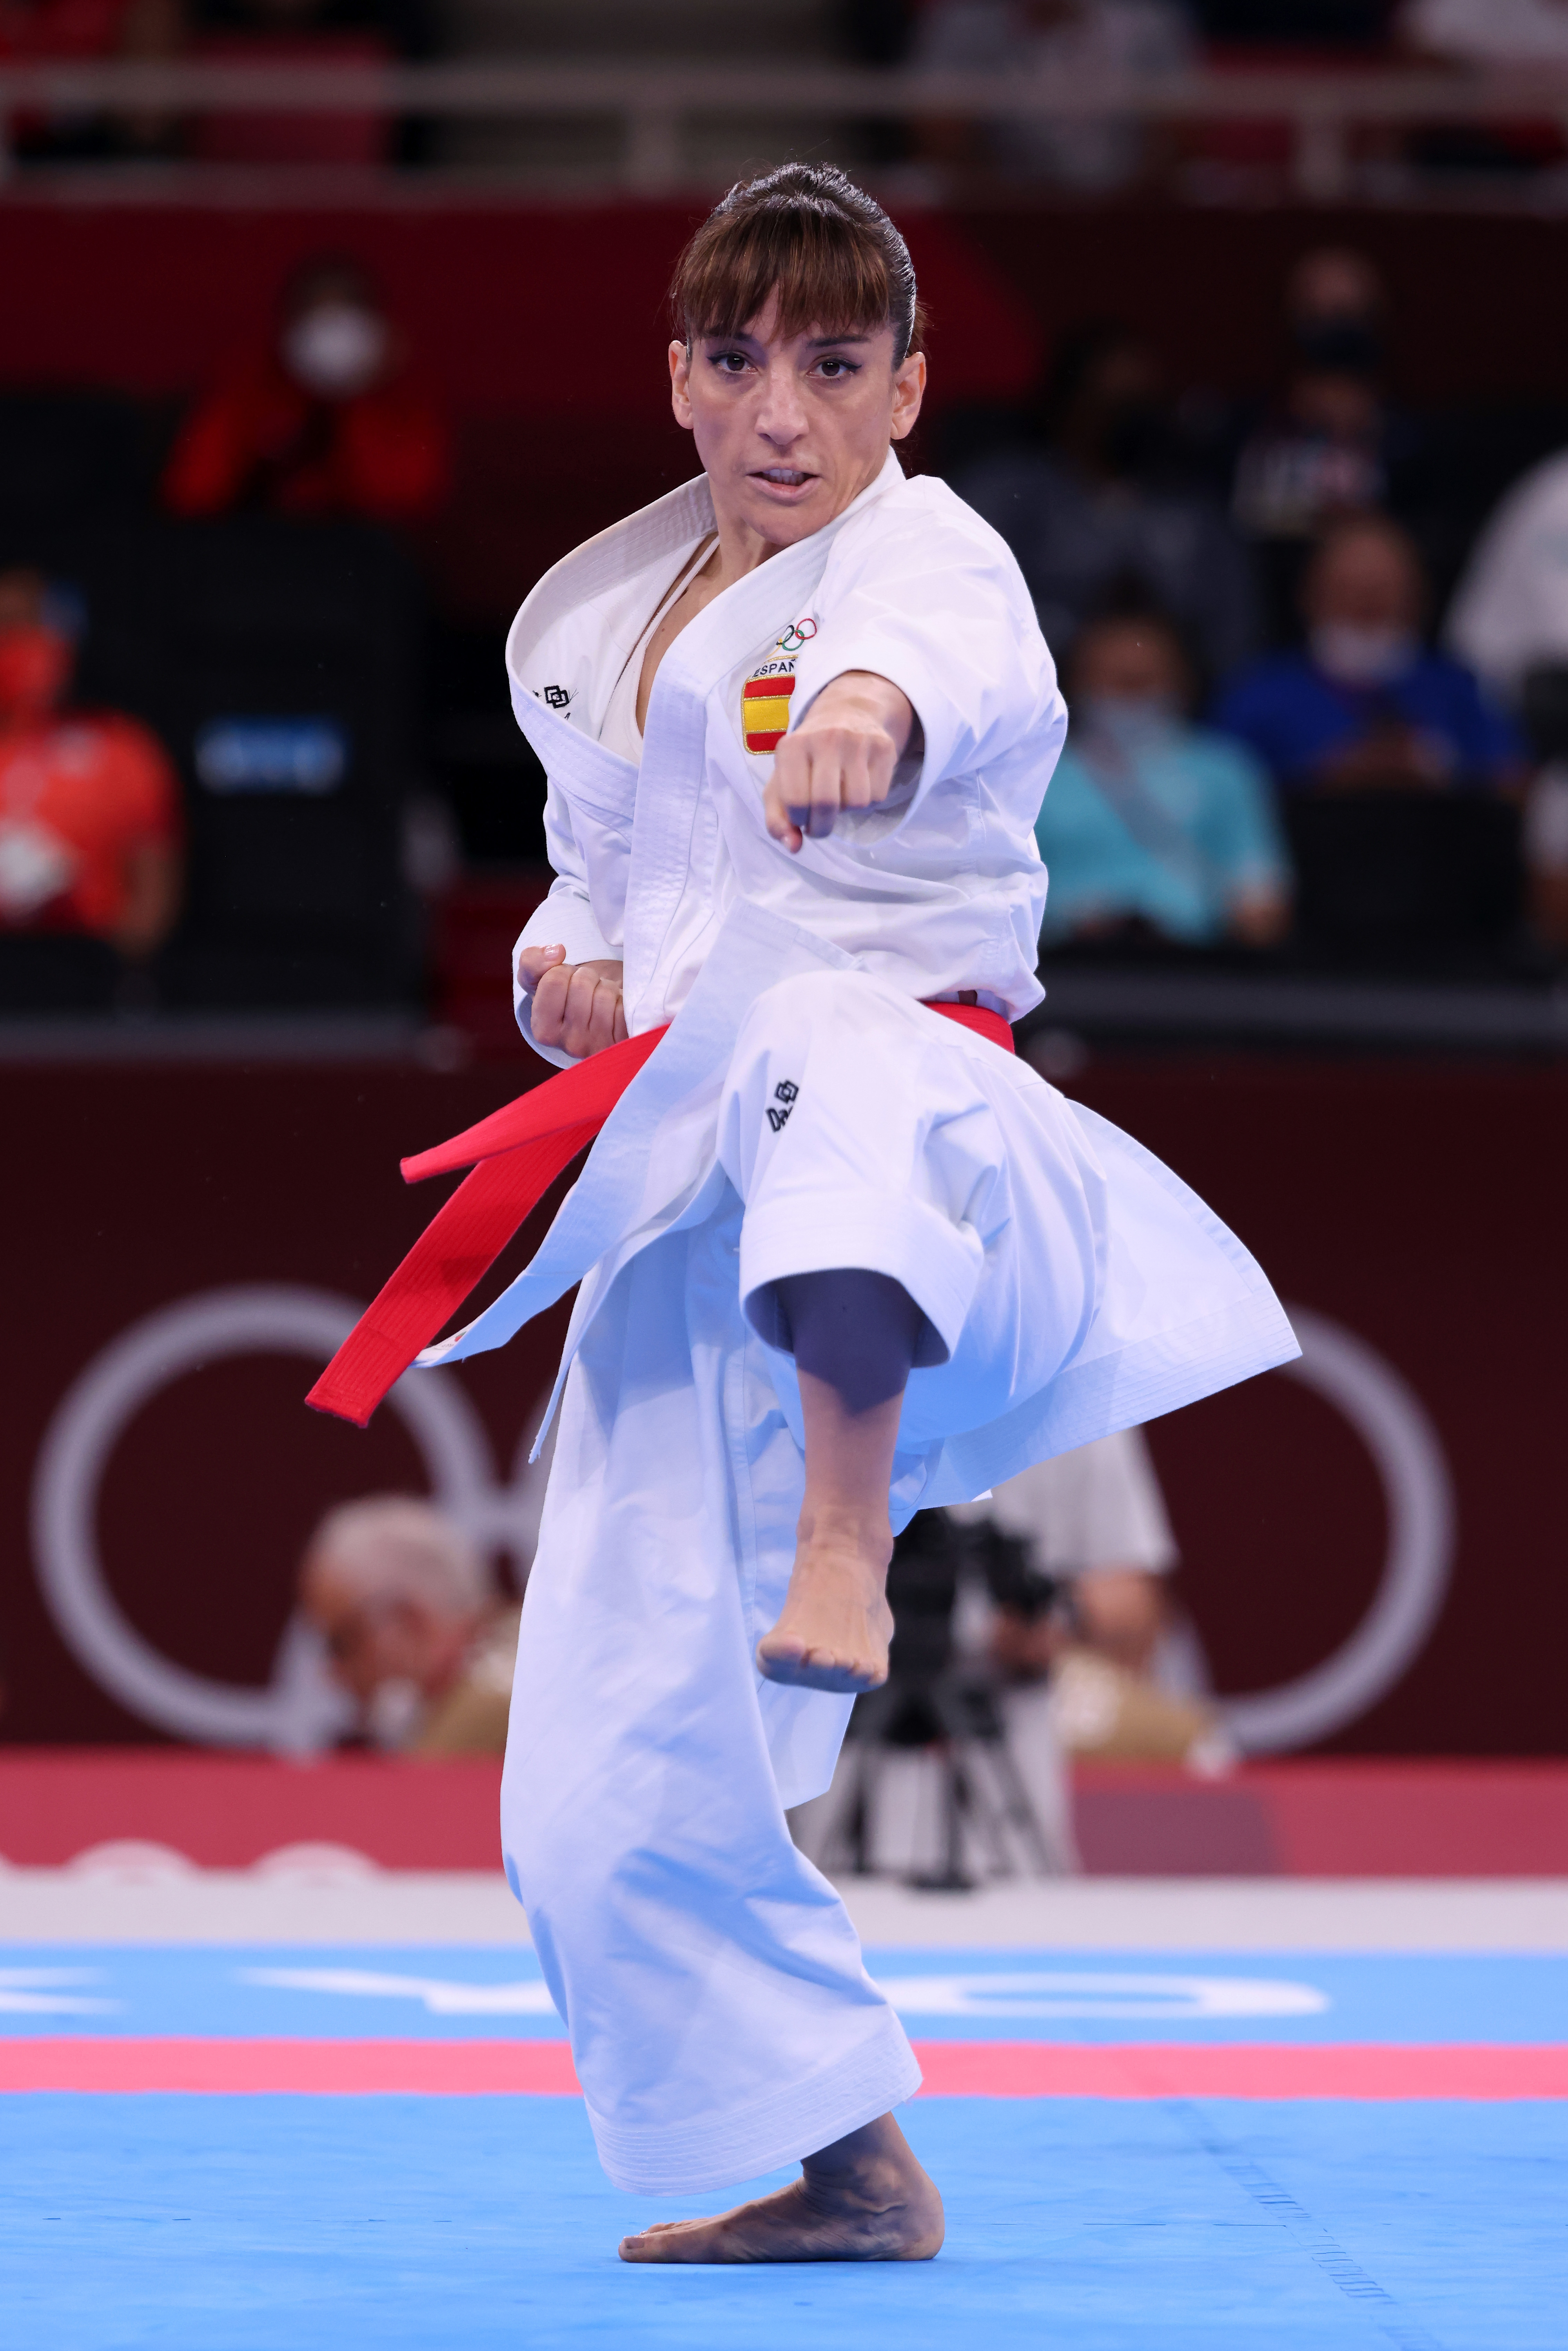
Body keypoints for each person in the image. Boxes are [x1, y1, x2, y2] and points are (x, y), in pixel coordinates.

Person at [309, 164, 1297, 2263]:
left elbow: (938, 677)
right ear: (679, 376)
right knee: (585, 1780)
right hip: (691, 1200)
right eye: (742, 361)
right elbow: (594, 878)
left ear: (906, 386)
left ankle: (851, 1533)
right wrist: (560, 970)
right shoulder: (591, 622)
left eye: (836, 366)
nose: (785, 408)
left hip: (935, 1142)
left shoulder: (934, 556)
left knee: (822, 1035)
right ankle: (842, 2150)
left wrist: (866, 720)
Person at [955, 322, 1259, 681]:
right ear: (1070, 405)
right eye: (1111, 402)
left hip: (1176, 720)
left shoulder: (1191, 510)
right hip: (1031, 704)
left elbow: (1235, 636)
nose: (1128, 421)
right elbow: (961, 614)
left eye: (1140, 403)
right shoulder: (1006, 493)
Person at [1215, 513, 1525, 796]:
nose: (1367, 611)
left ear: (1419, 602)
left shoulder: (1456, 690)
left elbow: (1511, 784)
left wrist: (1437, 773)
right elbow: (1219, 798)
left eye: (1385, 594)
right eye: (1349, 593)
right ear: (1309, 598)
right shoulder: (1258, 696)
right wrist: (1335, 776)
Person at [1036, 604, 1290, 948]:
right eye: (1116, 683)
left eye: (1143, 683)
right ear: (1076, 683)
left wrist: (1252, 921)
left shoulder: (1227, 770)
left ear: (1182, 682)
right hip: (1065, 966)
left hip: (1191, 968)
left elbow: (1261, 892)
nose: (1130, 698)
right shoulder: (1038, 773)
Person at [161, 255, 450, 523]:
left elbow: (407, 501)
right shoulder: (251, 385)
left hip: (363, 560)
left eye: (345, 318)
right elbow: (193, 494)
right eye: (317, 317)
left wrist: (360, 399)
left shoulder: (402, 400)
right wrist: (252, 399)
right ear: (287, 327)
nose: (331, 337)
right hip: (265, 555)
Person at [0, 567, 182, 955]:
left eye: (41, 628)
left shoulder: (123, 748)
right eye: (9, 630)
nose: (29, 645)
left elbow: (153, 905)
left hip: (85, 980)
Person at [299, 1495, 518, 1755]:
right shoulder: (538, 1646)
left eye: (342, 1643)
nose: (332, 1673)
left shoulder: (477, 1720)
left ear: (410, 1620)